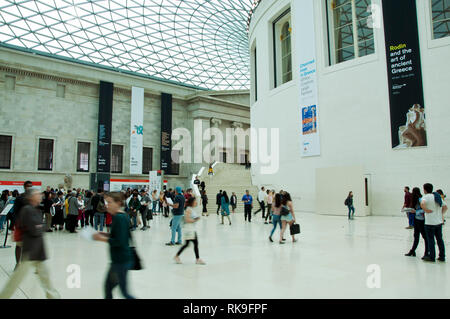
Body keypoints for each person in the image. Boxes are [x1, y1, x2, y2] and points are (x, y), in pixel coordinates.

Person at [0, 189, 60, 299]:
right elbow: (34, 229)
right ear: (31, 197)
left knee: (45, 278)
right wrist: (40, 226)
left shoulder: (35, 209)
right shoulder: (27, 210)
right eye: (37, 195)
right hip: (30, 250)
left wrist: (39, 226)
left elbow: (39, 227)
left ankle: (54, 296)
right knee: (16, 279)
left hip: (37, 250)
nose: (40, 196)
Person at [93, 192, 135, 299]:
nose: (107, 205)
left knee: (123, 292)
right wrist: (104, 234)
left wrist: (101, 238)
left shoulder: (119, 218)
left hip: (120, 262)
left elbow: (119, 241)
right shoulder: (121, 216)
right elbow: (119, 235)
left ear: (118, 203)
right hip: (119, 260)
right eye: (106, 202)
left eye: (110, 202)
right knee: (109, 288)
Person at [174, 197, 206, 265]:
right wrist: (195, 219)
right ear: (192, 202)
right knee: (188, 244)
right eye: (195, 201)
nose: (196, 203)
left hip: (192, 229)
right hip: (189, 229)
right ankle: (177, 256)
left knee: (193, 244)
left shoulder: (191, 209)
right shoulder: (188, 209)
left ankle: (197, 259)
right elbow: (187, 220)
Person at [421, 183, 447, 262]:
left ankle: (432, 256)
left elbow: (422, 204)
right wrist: (441, 214)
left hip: (430, 223)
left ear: (425, 189)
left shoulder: (425, 197)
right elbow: (445, 207)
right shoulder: (437, 196)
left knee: (431, 240)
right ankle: (442, 256)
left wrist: (426, 210)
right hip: (438, 222)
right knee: (439, 239)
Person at [11, 181, 33, 269]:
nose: (29, 188)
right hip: (21, 224)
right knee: (19, 245)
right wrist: (16, 223)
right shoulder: (20, 198)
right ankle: (17, 263)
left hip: (30, 225)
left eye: (30, 186)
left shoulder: (33, 197)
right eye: (28, 186)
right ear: (24, 187)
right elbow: (15, 212)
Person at [405, 187, 429, 258]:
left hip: (422, 221)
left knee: (424, 237)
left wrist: (416, 211)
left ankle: (426, 252)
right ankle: (412, 251)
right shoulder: (416, 200)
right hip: (417, 220)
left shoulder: (421, 200)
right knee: (416, 236)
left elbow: (424, 210)